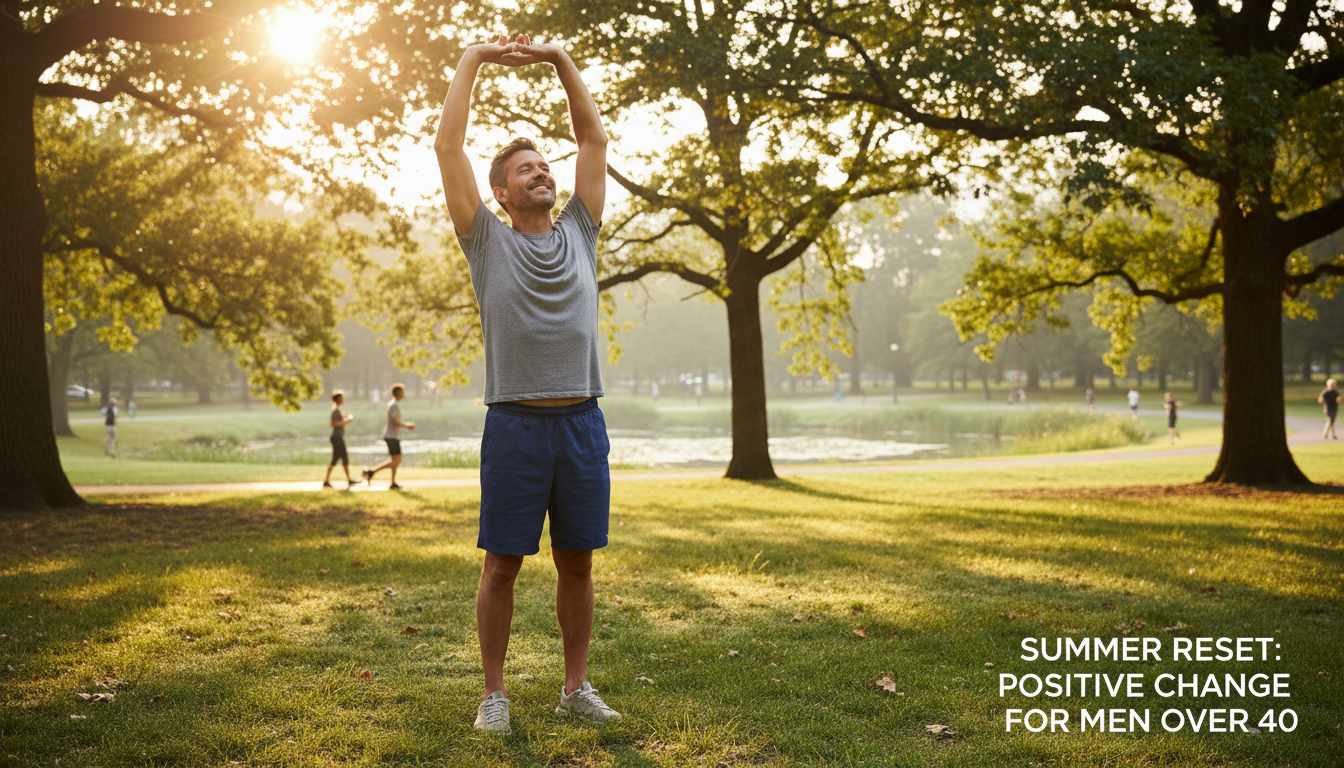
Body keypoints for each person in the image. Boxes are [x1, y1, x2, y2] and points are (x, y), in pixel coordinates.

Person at [435, 33, 618, 735]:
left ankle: (575, 687)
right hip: (513, 424)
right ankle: (494, 696)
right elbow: (448, 147)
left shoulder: (581, 229)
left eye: (545, 165)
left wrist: (559, 61)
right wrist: (475, 59)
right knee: (502, 566)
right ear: (501, 191)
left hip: (582, 423)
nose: (543, 173)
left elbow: (593, 140)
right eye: (526, 169)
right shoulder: (485, 237)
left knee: (578, 566)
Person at [363, 384, 414, 490]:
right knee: (397, 460)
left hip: (392, 435)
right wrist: (407, 426)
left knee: (395, 460)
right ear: (398, 393)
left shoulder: (393, 404)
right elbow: (395, 421)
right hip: (391, 436)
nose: (404, 394)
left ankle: (392, 482)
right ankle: (371, 471)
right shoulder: (394, 405)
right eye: (402, 392)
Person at [323, 391, 360, 489]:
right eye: (341, 398)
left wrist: (345, 418)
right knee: (335, 459)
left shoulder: (337, 410)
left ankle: (348, 480)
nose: (343, 400)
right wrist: (347, 420)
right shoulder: (335, 410)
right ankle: (326, 481)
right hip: (337, 438)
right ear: (338, 399)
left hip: (339, 437)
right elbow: (333, 424)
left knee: (344, 458)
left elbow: (338, 421)